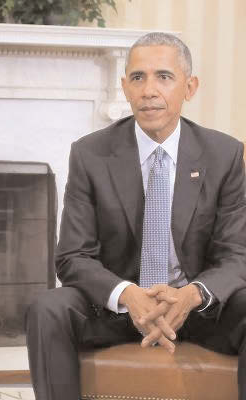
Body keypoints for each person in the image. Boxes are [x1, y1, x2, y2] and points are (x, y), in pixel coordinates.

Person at [26, 32, 246, 399]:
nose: (148, 90)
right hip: (116, 310)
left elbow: (236, 255)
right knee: (48, 308)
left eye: (164, 76)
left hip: (195, 309)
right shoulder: (90, 154)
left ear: (189, 87)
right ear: (124, 87)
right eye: (138, 78)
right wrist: (128, 295)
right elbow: (72, 257)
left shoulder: (223, 155)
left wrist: (192, 295)